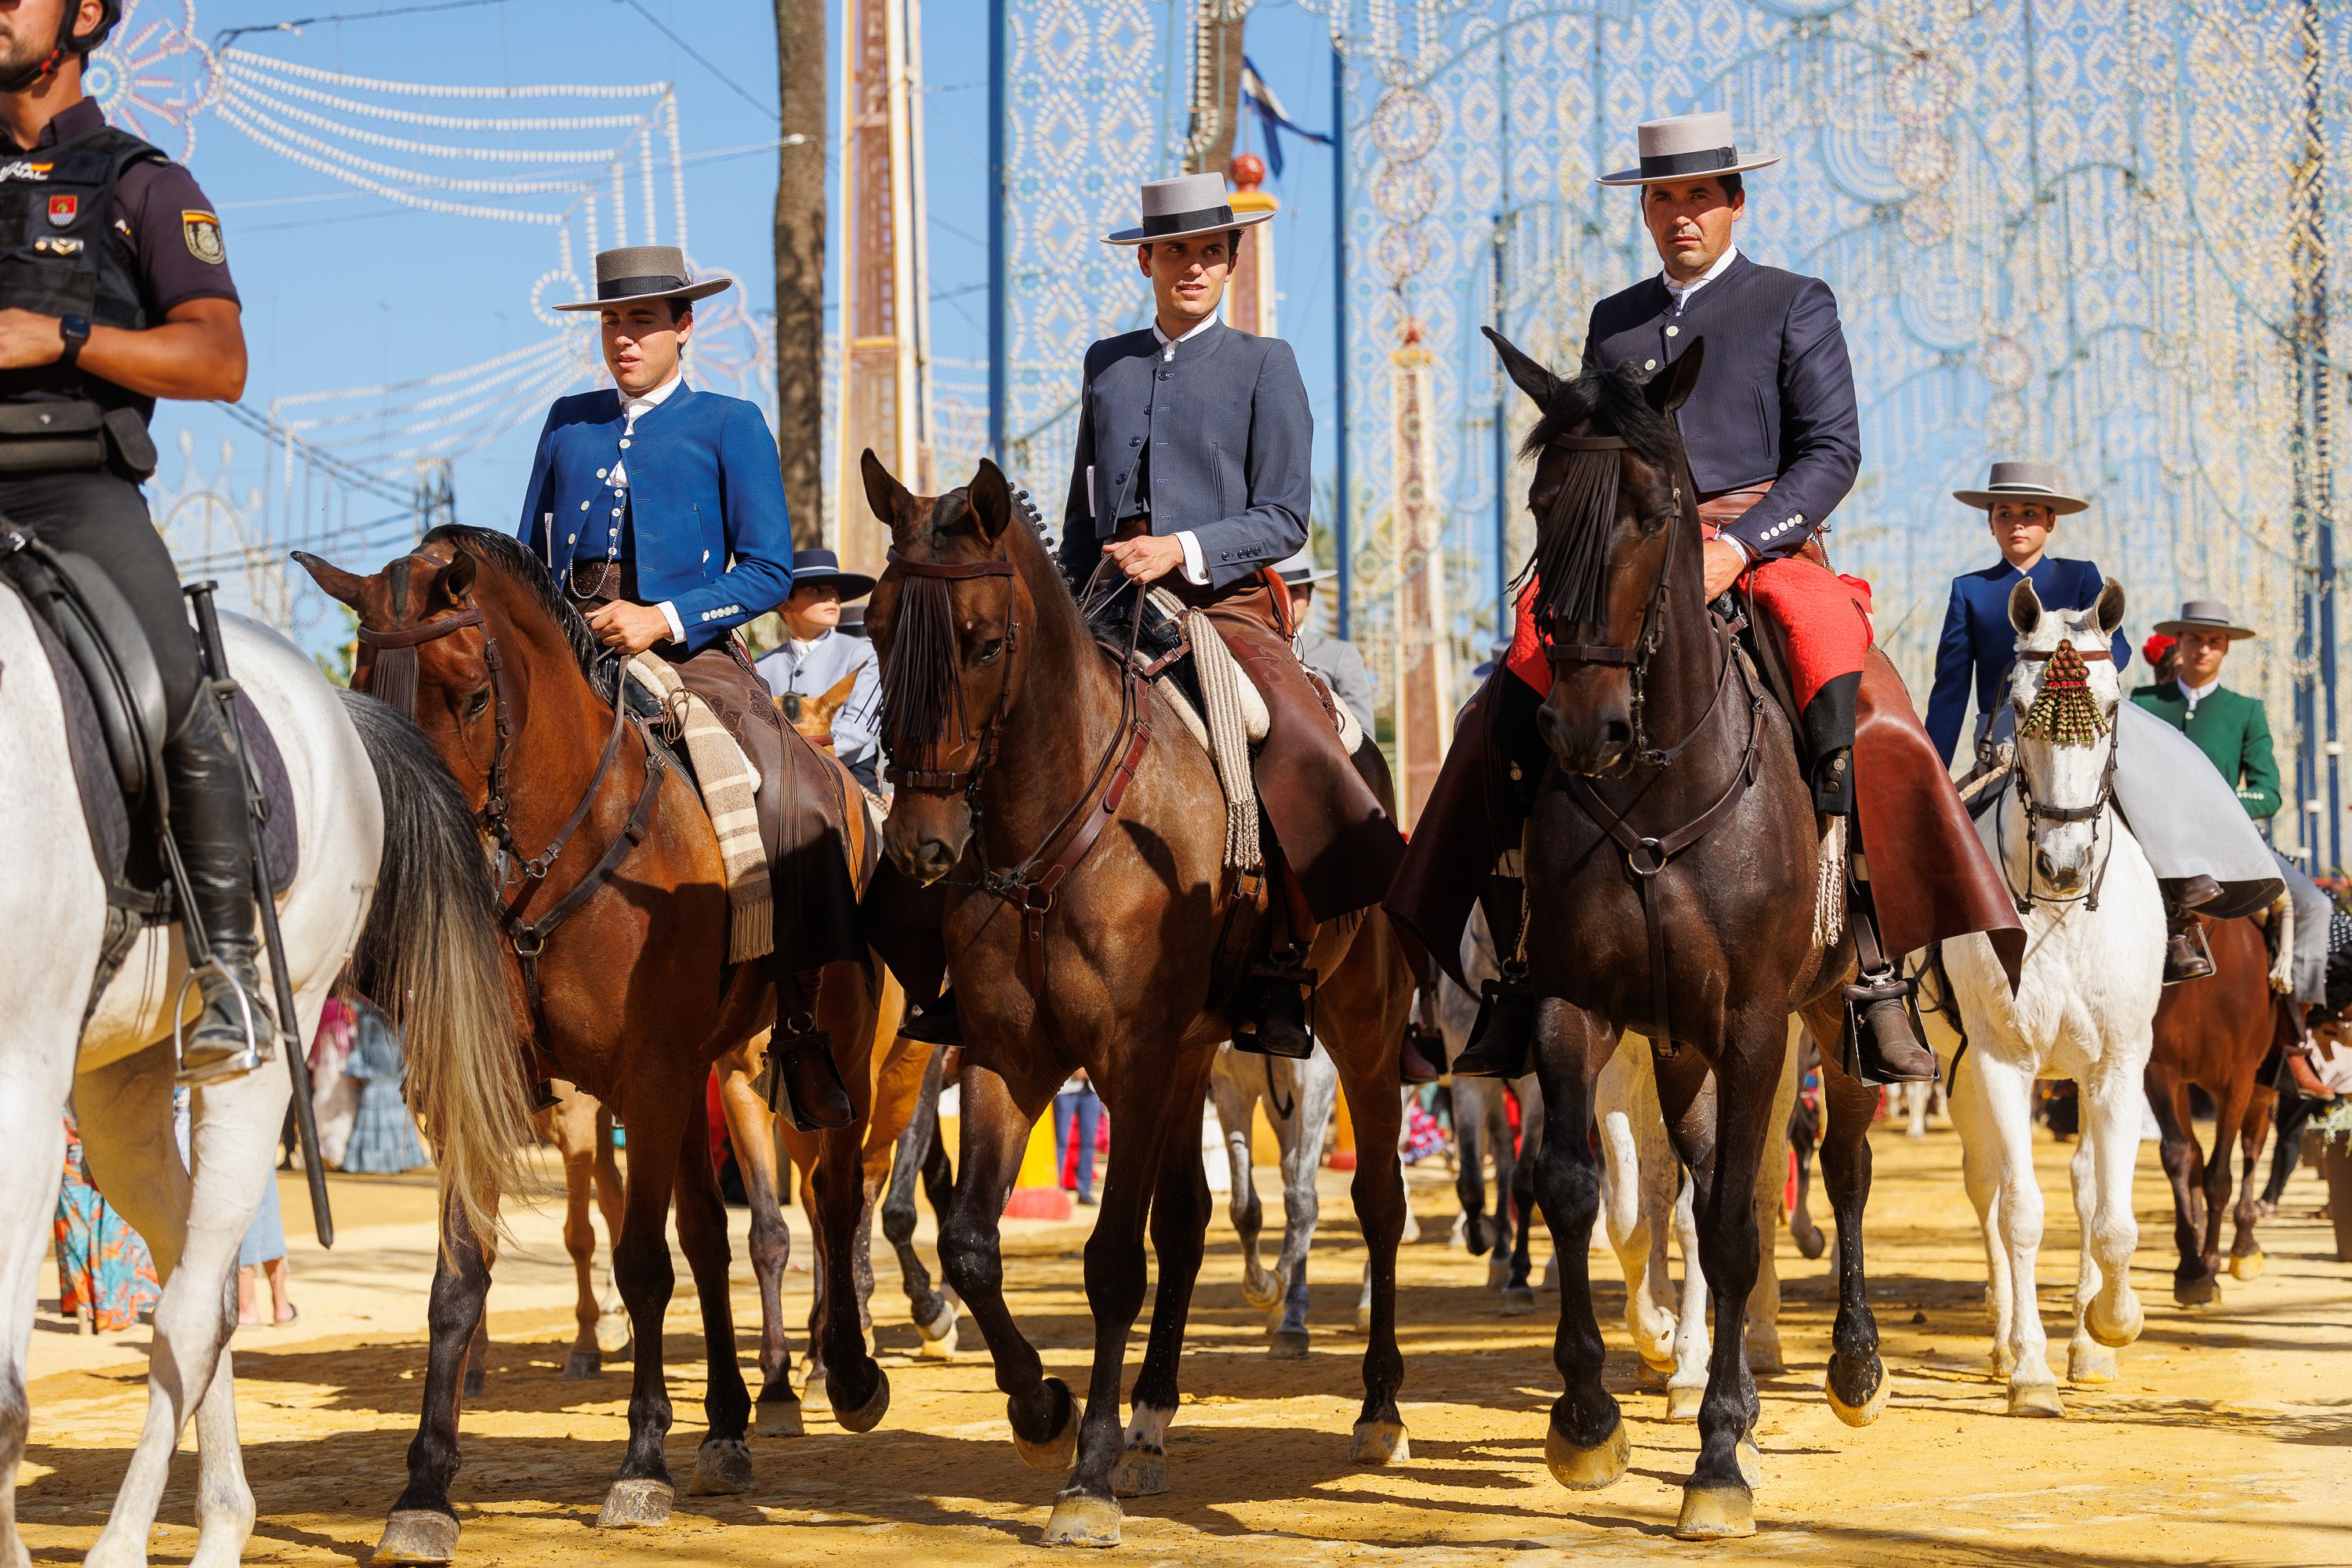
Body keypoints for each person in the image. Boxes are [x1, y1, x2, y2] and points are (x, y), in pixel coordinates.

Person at [1390, 110, 2020, 1084]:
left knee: (1869, 706)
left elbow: (1833, 452)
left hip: (1762, 549)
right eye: (1664, 198)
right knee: (1500, 705)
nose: (1681, 214)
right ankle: (1514, 957)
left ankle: (1872, 961)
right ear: (1645, 210)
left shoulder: (1794, 301)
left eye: (1699, 196)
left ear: (1735, 202)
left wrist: (1737, 544)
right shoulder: (1615, 321)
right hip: (1630, 556)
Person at [1052, 171, 1406, 1058]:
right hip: (1106, 602)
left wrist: (1180, 549)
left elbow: (1284, 516)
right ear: (1145, 260)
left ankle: (1285, 957)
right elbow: (1081, 515)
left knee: (1292, 736)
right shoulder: (1107, 364)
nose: (1194, 266)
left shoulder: (1265, 364)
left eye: (1211, 251)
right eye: (1176, 250)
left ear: (1231, 262)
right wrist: (1063, 604)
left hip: (1225, 606)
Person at [521, 245, 858, 1131]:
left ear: (684, 326)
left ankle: (799, 1024)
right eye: (612, 322)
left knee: (792, 789)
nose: (623, 339)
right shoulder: (567, 422)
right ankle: (498, 1013)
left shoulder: (729, 421)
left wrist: (660, 617)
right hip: (569, 644)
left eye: (642, 321)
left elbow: (770, 570)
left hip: (690, 649)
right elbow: (526, 556)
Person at [0, 0, 265, 1081]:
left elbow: (218, 363)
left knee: (172, 681)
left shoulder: (144, 183)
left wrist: (63, 335)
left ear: (84, 16)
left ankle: (228, 970)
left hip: (75, 491)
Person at [2130, 600, 2329, 1000]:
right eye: (2195, 639)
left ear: (2225, 647)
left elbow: (2268, 793)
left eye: (2213, 641)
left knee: (2315, 906)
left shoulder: (2245, 710)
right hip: (2154, 841)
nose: (2203, 649)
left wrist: (2218, 806)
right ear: (2179, 642)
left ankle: (2300, 1014)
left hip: (2231, 839)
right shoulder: (2144, 703)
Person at [1926, 460, 2129, 766]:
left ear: (2050, 521)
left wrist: (2072, 674)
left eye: (2030, 513)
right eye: (2005, 513)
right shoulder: (1970, 590)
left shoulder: (2080, 577)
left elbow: (2119, 648)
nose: (2017, 524)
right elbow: (1951, 690)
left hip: (2079, 730)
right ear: (1990, 522)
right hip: (2002, 741)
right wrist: (1931, 773)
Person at [755, 547, 881, 793]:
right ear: (786, 605)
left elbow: (859, 728)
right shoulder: (762, 665)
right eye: (817, 591)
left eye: (834, 591)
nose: (832, 598)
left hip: (850, 778)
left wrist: (804, 752)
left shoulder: (862, 654)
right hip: (781, 780)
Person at [1276, 549, 1377, 735]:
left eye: (1294, 591)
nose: (1287, 598)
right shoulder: (1243, 650)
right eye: (1278, 591)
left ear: (1309, 599)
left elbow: (1363, 734)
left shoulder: (1339, 655)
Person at [1053, 1069, 1102, 1206]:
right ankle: (1058, 1191)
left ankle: (1085, 1192)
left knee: (1089, 1143)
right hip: (1066, 1087)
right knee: (1061, 1141)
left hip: (1092, 1089)